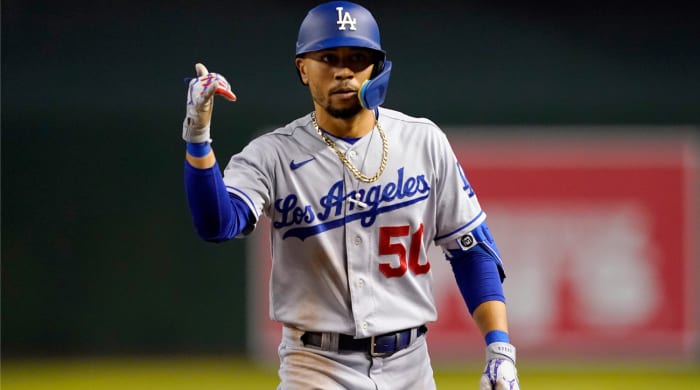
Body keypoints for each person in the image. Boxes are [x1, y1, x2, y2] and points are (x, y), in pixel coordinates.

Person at [181, 1, 520, 389]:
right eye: (328, 57)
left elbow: (471, 248)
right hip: (315, 368)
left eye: (357, 57)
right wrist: (197, 137)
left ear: (375, 67)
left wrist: (499, 349)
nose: (344, 70)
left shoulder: (423, 141)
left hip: (411, 367)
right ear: (302, 68)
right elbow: (217, 224)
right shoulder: (272, 153)